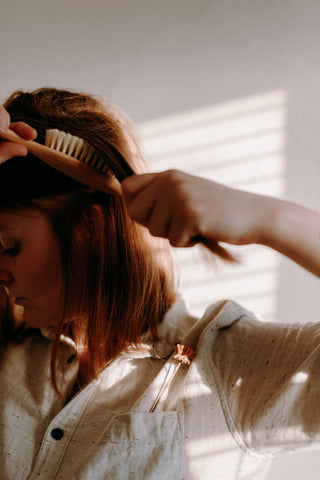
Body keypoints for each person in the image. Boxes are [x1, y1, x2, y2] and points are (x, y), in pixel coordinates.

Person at [0, 88, 319, 480]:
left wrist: (269, 219)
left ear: (90, 232)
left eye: (8, 246)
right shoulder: (10, 350)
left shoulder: (222, 366)